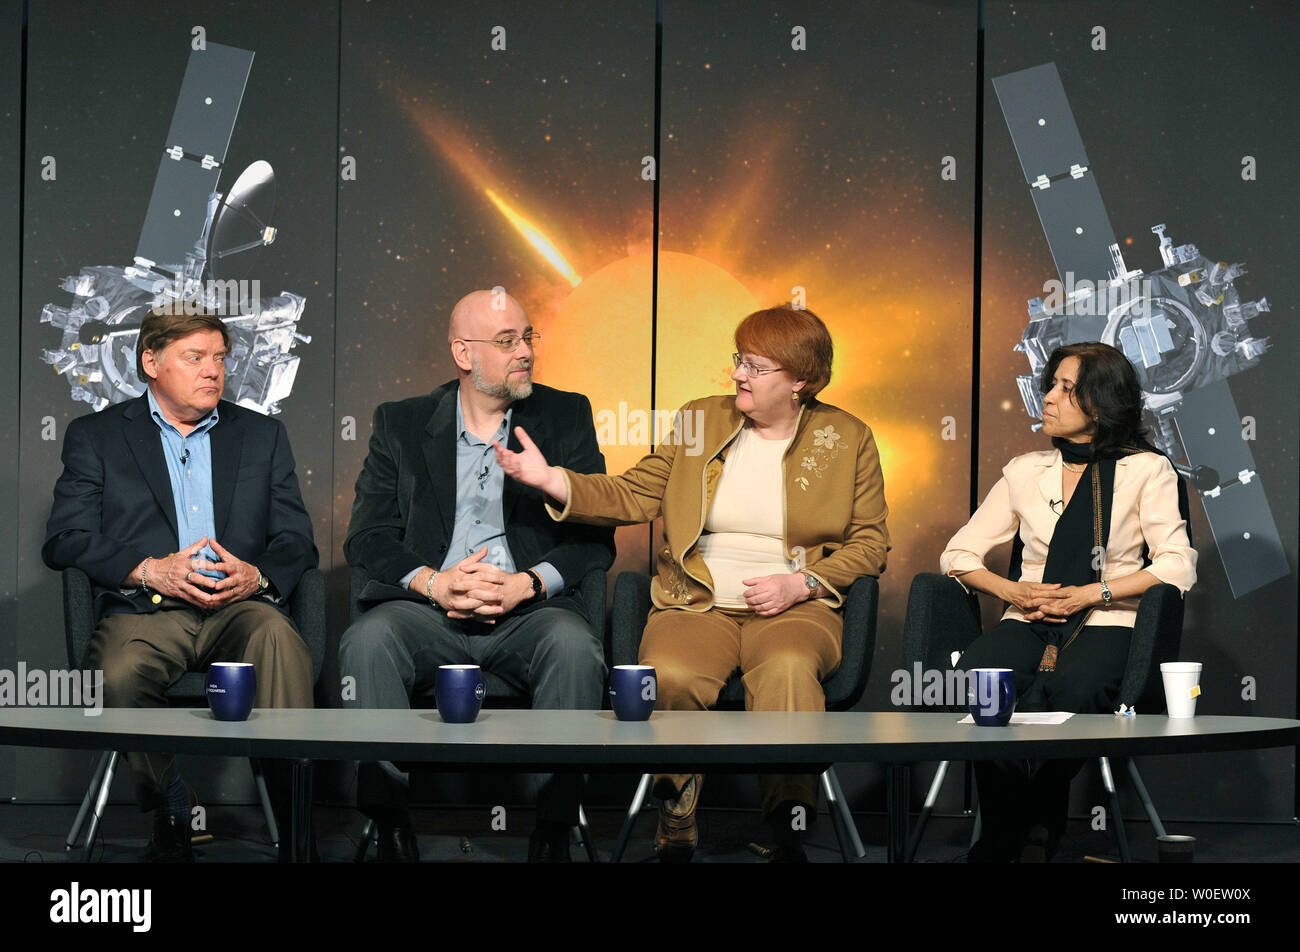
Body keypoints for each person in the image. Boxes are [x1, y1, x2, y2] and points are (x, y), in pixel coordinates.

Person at [497, 305, 890, 862]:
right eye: (739, 361)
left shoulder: (848, 437)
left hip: (795, 608)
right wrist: (553, 480)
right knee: (672, 676)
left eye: (755, 366)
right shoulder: (700, 418)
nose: (737, 375)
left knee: (786, 672)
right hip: (693, 604)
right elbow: (635, 493)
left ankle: (787, 829)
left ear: (800, 380)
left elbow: (871, 542)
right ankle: (676, 814)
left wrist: (802, 583)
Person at [340, 289, 614, 863]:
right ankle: (391, 825)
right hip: (428, 611)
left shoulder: (565, 415)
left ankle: (553, 831)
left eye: (528, 337)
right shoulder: (403, 422)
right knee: (369, 639)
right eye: (507, 341)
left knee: (572, 644)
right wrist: (434, 583)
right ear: (463, 354)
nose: (526, 353)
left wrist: (529, 583)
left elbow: (595, 535)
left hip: (530, 613)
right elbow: (367, 537)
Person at [42, 307, 318, 862]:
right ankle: (171, 805)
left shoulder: (262, 435)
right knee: (116, 675)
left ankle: (298, 828)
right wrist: (149, 569)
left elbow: (297, 541)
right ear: (151, 362)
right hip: (146, 609)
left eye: (219, 358)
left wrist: (257, 575)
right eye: (195, 358)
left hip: (237, 607)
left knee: (280, 639)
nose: (212, 371)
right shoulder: (96, 436)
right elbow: (65, 539)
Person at [940, 341, 1196, 862]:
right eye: (1050, 385)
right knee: (985, 676)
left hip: (1108, 618)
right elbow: (958, 554)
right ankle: (1019, 825)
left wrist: (1093, 592)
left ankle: (1026, 821)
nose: (1049, 399)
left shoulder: (1147, 470)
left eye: (1066, 389)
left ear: (1100, 404)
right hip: (1029, 616)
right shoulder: (1024, 470)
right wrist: (1011, 590)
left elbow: (1177, 564)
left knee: (1073, 684)